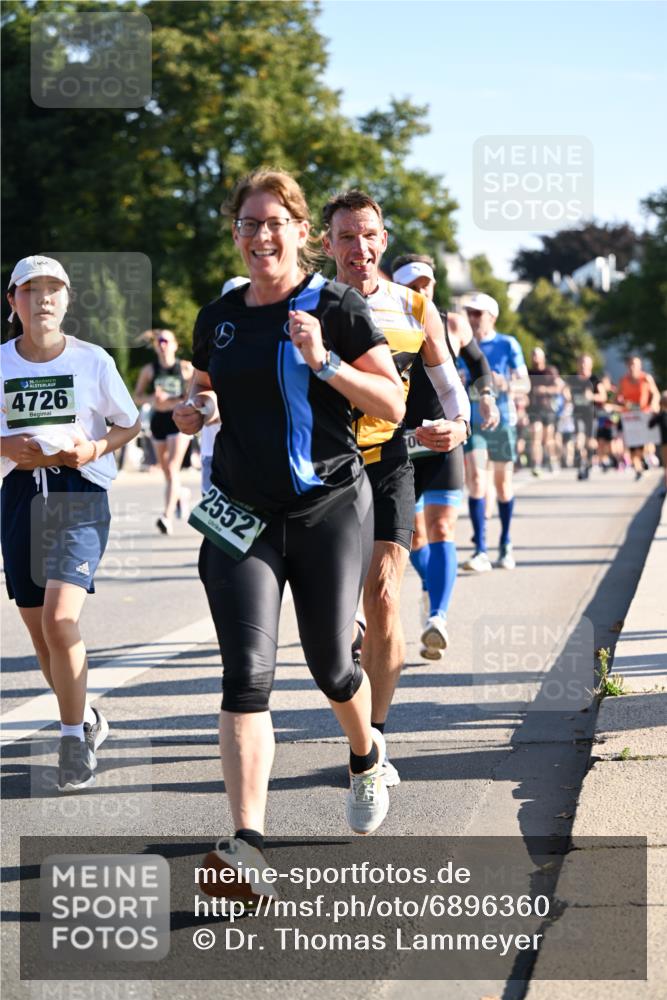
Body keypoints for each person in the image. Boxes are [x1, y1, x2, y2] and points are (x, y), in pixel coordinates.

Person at [173, 170, 405, 896]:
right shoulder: (218, 315)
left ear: (300, 231)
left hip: (327, 505)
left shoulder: (333, 305)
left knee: (331, 664)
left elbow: (391, 404)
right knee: (246, 673)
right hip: (238, 513)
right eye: (248, 223)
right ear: (235, 233)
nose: (261, 236)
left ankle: (366, 755)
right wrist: (192, 410)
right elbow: (208, 387)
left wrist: (325, 362)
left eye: (274, 222)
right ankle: (246, 843)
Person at [322, 192, 470, 784]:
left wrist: (455, 426)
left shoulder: (414, 306)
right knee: (331, 615)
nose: (359, 248)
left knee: (382, 595)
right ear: (327, 244)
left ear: (383, 240)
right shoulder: (309, 302)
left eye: (369, 236)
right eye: (346, 238)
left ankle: (374, 741)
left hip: (388, 462)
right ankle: (354, 700)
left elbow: (450, 387)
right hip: (324, 468)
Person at [1, 255, 140, 790]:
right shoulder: (0, 362)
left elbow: (127, 423)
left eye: (53, 289)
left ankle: (68, 739)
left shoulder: (92, 360)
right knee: (40, 634)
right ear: (12, 301)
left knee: (61, 619)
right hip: (18, 496)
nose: (43, 300)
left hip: (77, 494)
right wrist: (7, 445)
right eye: (30, 290)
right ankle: (83, 718)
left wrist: (94, 448)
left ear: (67, 299)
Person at [391, 254, 497, 660]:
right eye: (413, 285)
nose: (422, 291)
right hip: (402, 438)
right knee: (414, 536)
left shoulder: (453, 323)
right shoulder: (384, 319)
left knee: (443, 529)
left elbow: (478, 363)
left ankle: (437, 617)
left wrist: (485, 397)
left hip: (445, 435)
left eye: (427, 284)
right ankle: (434, 582)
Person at [461, 292, 530, 572]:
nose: (473, 319)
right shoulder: (462, 345)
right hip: (473, 421)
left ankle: (505, 542)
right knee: (477, 479)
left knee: (502, 484)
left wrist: (507, 385)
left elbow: (526, 383)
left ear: (492, 317)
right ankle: (480, 550)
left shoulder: (507, 344)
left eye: (478, 314)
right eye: (470, 313)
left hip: (502, 422)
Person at [133, 329, 193, 534]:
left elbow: (196, 395)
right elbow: (137, 397)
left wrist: (174, 399)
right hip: (159, 420)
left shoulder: (185, 369)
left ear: (175, 345)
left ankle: (166, 516)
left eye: (166, 340)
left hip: (179, 421)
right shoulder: (149, 370)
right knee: (166, 469)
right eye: (159, 341)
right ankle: (181, 494)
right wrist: (152, 399)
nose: (162, 344)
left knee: (173, 467)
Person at [617, 355, 660, 480]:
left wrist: (653, 405)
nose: (632, 367)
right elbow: (617, 398)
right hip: (629, 416)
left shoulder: (646, 378)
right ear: (627, 366)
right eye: (630, 365)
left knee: (645, 441)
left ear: (640, 366)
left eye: (634, 364)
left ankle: (647, 457)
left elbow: (655, 394)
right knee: (632, 445)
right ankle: (638, 469)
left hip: (643, 414)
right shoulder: (623, 380)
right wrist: (622, 402)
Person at [567, 354, 607, 479]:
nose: (583, 365)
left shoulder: (595, 379)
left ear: (591, 365)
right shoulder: (572, 378)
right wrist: (567, 396)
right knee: (579, 441)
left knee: (590, 442)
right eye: (581, 362)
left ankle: (589, 464)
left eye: (586, 363)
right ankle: (581, 465)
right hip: (577, 414)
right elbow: (565, 390)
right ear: (578, 364)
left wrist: (592, 396)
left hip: (591, 415)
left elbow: (603, 396)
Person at [527, 347, 563, 475]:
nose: (535, 358)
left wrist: (545, 390)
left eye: (537, 355)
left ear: (543, 357)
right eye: (533, 355)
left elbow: (559, 387)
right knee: (535, 436)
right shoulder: (528, 372)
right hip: (533, 409)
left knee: (548, 438)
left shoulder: (550, 371)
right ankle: (537, 464)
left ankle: (552, 460)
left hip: (548, 408)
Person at [648, 391, 667, 497]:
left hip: (665, 444)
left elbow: (650, 424)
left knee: (666, 466)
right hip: (664, 443)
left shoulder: (661, 415)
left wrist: (654, 415)